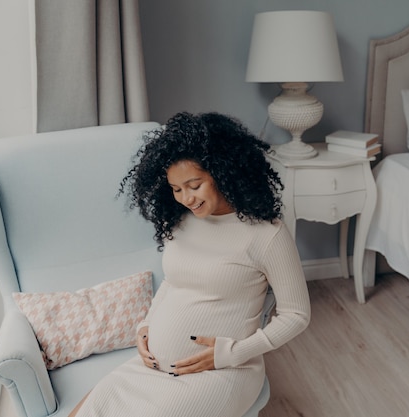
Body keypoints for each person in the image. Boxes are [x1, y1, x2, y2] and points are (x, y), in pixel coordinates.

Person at [69, 112, 311, 417]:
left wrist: (231, 354)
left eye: (194, 185)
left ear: (222, 172)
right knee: (89, 407)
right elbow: (173, 282)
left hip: (221, 373)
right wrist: (146, 325)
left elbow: (297, 315)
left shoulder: (266, 234)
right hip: (152, 366)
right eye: (176, 188)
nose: (186, 198)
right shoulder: (181, 222)